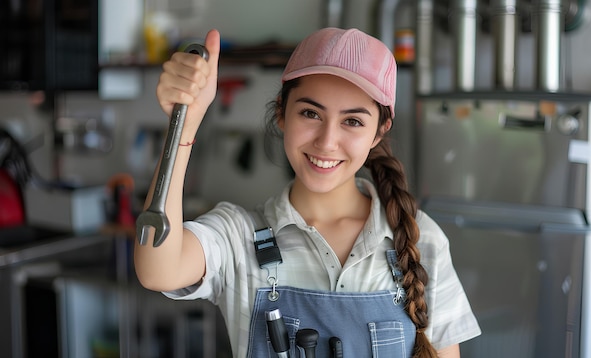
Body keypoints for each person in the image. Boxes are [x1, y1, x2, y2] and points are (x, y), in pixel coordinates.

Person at [134, 27, 481, 358]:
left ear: (379, 131)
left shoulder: (422, 241)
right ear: (282, 113)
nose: (327, 141)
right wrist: (184, 123)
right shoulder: (237, 236)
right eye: (311, 113)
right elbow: (158, 270)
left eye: (353, 121)